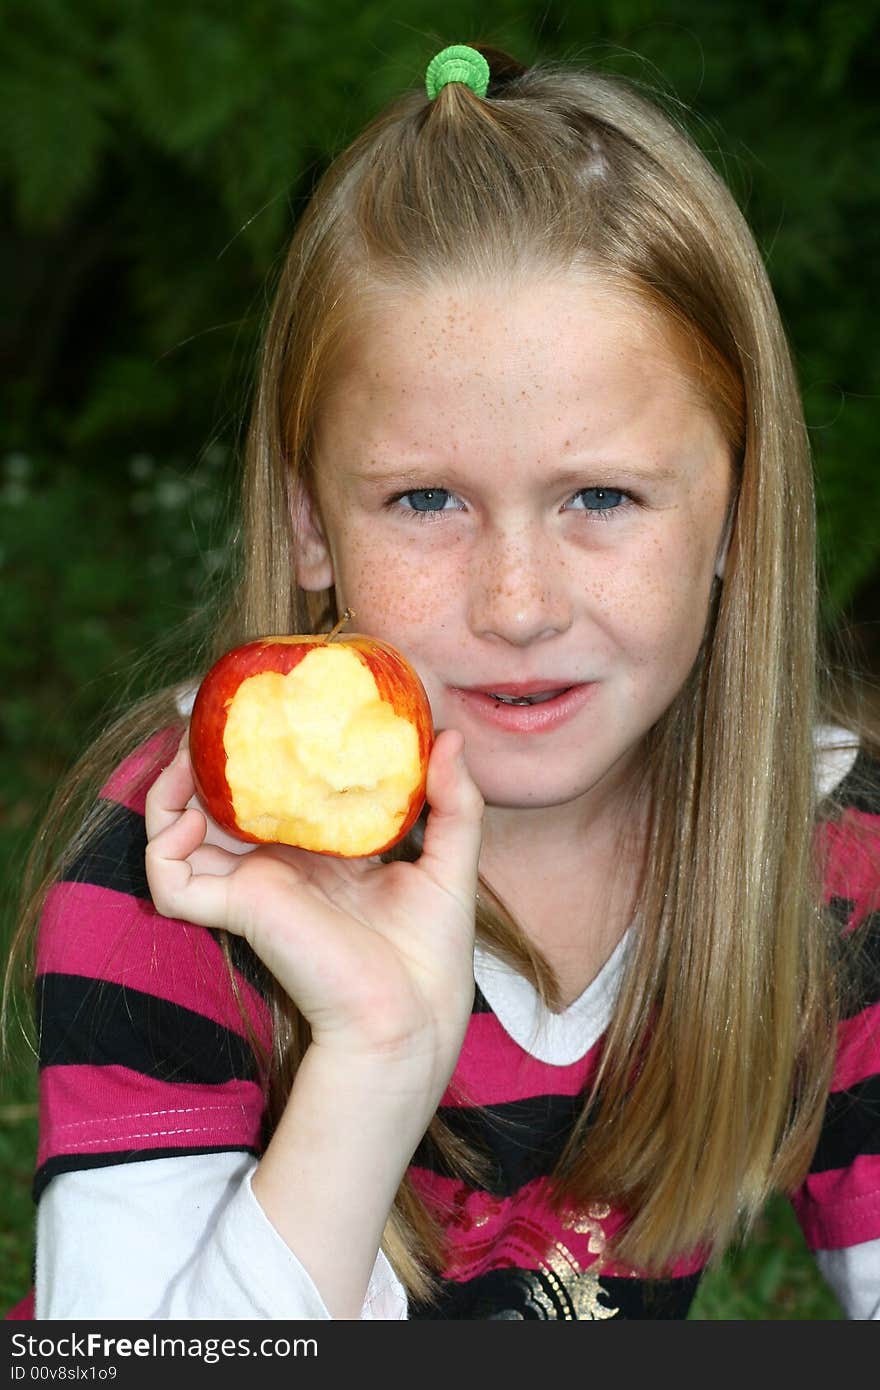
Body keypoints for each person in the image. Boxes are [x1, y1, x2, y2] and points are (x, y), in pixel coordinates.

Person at [4, 42, 880, 1321]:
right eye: (425, 499)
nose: (516, 603)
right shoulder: (184, 872)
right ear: (310, 524)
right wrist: (371, 1060)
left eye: (601, 496)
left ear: (737, 513)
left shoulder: (832, 868)